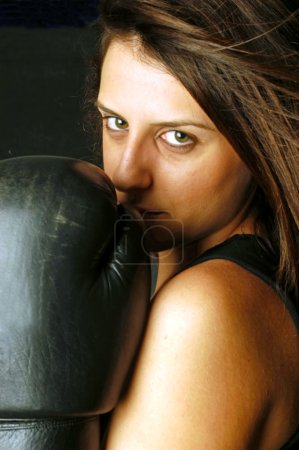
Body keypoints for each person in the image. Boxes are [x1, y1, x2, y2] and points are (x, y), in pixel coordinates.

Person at [87, 0, 299, 448]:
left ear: (258, 141)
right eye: (117, 122)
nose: (126, 173)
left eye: (178, 137)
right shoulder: (176, 272)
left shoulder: (203, 312)